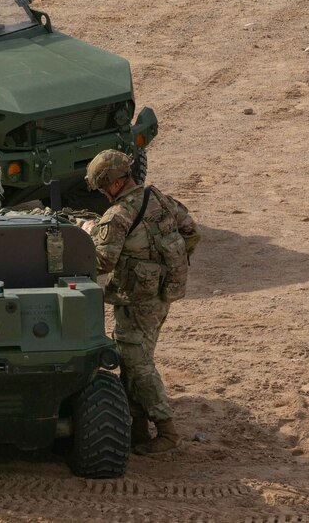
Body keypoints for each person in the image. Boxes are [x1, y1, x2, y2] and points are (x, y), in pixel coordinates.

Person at [79, 149, 200, 454]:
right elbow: (191, 233)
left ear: (113, 184)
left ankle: (167, 430)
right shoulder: (160, 199)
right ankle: (137, 429)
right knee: (135, 357)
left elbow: (102, 262)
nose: (104, 194)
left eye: (103, 187)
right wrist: (163, 265)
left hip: (137, 299)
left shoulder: (118, 215)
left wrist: (88, 235)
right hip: (162, 294)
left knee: (136, 361)